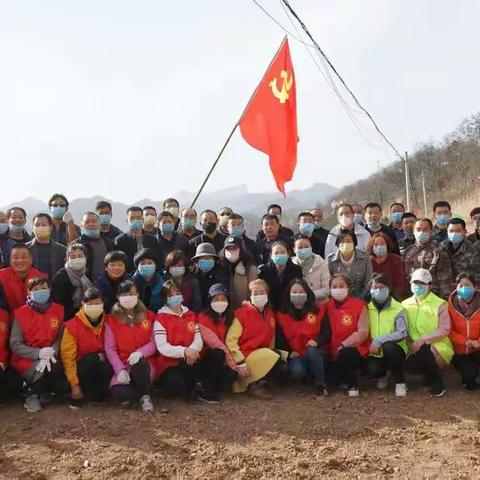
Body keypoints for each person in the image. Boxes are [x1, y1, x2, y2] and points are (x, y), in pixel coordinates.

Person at [10, 277, 66, 412]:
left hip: (52, 356)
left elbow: (61, 337)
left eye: (43, 288)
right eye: (35, 289)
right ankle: (31, 393)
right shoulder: (21, 313)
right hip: (27, 359)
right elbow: (15, 344)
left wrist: (53, 350)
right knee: (41, 370)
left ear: (49, 289)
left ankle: (42, 391)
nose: (40, 291)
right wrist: (38, 353)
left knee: (63, 383)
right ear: (29, 293)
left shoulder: (58, 310)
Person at [226, 279, 285, 398]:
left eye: (262, 293)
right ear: (250, 296)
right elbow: (230, 340)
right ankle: (255, 385)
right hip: (245, 356)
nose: (259, 296)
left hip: (263, 354)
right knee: (276, 357)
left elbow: (271, 339)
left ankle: (261, 381)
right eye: (255, 293)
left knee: (282, 364)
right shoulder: (241, 314)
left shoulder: (270, 314)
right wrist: (240, 362)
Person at [104, 280, 156, 411]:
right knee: (119, 393)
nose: (128, 297)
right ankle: (140, 391)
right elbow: (110, 348)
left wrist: (140, 352)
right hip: (124, 365)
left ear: (138, 294)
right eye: (124, 294)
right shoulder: (111, 319)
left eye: (132, 293)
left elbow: (154, 341)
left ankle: (145, 395)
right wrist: (119, 369)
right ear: (117, 297)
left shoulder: (149, 316)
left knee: (140, 364)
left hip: (144, 363)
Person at [402, 268, 454, 397]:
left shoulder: (440, 304)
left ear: (430, 286)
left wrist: (423, 340)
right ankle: (430, 376)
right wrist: (412, 343)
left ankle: (435, 383)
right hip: (412, 347)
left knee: (427, 352)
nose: (418, 286)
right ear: (410, 284)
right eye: (415, 283)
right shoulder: (404, 304)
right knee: (412, 362)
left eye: (422, 284)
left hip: (437, 346)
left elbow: (444, 329)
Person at [61, 287, 113, 408]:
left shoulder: (110, 321)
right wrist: (74, 385)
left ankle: (101, 393)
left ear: (103, 304)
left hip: (104, 366)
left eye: (97, 303)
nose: (94, 306)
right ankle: (84, 391)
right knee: (92, 359)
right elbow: (68, 358)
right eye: (89, 303)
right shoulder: (72, 326)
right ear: (82, 304)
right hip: (82, 368)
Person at [276, 279, 329, 397]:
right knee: (297, 372)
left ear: (307, 293)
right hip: (296, 353)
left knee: (312, 353)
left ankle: (321, 385)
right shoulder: (281, 314)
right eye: (294, 292)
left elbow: (327, 333)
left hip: (317, 351)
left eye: (301, 291)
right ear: (289, 294)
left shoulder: (319, 309)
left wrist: (317, 341)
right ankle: (309, 375)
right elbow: (280, 339)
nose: (298, 295)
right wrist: (289, 352)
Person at [154, 280, 203, 401]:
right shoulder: (160, 318)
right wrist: (184, 351)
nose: (175, 296)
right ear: (165, 298)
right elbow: (162, 347)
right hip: (168, 363)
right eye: (170, 295)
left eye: (177, 293)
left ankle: (193, 388)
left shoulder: (190, 315)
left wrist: (192, 350)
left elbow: (198, 337)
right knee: (174, 386)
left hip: (189, 358)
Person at [326, 274, 369, 397]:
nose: (338, 289)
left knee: (347, 354)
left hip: (354, 349)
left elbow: (363, 331)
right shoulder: (326, 306)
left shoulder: (359, 305)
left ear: (348, 288)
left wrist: (345, 344)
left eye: (341, 286)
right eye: (334, 286)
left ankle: (353, 385)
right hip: (332, 352)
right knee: (331, 377)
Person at [366, 273, 408, 396]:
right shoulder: (366, 308)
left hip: (395, 348)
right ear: (370, 290)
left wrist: (380, 340)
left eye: (382, 287)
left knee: (389, 347)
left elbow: (402, 332)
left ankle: (400, 382)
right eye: (375, 288)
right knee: (372, 371)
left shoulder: (398, 308)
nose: (378, 290)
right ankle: (383, 374)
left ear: (389, 289)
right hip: (374, 351)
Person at [197, 284, 238, 402]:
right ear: (210, 301)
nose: (220, 302)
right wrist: (234, 366)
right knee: (218, 353)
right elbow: (216, 344)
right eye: (216, 299)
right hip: (205, 359)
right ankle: (206, 389)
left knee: (230, 377)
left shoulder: (230, 317)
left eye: (223, 299)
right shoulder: (203, 318)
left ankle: (216, 386)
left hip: (224, 358)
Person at [403, 218, 453, 299]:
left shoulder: (439, 251)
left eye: (425, 229)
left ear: (431, 231)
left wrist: (444, 299)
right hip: (411, 298)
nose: (421, 232)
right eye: (418, 229)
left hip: (433, 297)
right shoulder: (407, 252)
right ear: (413, 231)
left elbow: (445, 279)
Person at [448, 273, 480, 390]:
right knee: (470, 380)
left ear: (475, 287)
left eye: (467, 285)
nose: (463, 288)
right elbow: (448, 331)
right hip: (459, 351)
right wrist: (465, 341)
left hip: (478, 347)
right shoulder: (449, 305)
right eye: (460, 285)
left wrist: (477, 342)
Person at [0, 244, 46, 313]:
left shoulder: (40, 278)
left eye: (24, 257)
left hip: (34, 318)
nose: (20, 261)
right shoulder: (1, 277)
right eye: (16, 257)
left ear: (31, 260)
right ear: (10, 261)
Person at [51, 244, 92, 321]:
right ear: (67, 259)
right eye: (73, 257)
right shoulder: (60, 278)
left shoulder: (87, 274)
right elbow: (57, 305)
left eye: (80, 256)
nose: (77, 259)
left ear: (85, 258)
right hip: (67, 320)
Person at [258, 241, 303, 311]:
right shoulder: (263, 271)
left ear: (288, 254)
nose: (279, 255)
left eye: (282, 253)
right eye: (276, 253)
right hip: (269, 309)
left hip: (290, 309)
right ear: (271, 255)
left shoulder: (296, 270)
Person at [327, 232, 373, 299]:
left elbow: (368, 282)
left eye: (348, 241)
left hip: (360, 297)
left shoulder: (364, 258)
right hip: (337, 297)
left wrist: (361, 297)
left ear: (354, 243)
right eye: (342, 241)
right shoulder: (330, 260)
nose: (345, 244)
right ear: (338, 244)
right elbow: (328, 282)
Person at [114, 206, 159, 273]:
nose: (135, 220)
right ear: (127, 221)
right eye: (132, 218)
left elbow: (157, 259)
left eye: (138, 218)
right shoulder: (120, 240)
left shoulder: (152, 239)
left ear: (143, 220)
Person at [220, 236, 257, 310]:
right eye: (228, 249)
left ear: (241, 250)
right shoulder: (221, 267)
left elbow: (254, 292)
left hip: (245, 312)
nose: (231, 251)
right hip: (225, 312)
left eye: (234, 248)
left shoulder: (250, 269)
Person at [26, 213, 66, 280]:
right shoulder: (25, 249)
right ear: (33, 228)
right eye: (37, 225)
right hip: (32, 288)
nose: (40, 227)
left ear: (51, 227)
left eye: (43, 225)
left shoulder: (62, 250)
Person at [367, 233, 406, 300]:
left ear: (387, 245)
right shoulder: (368, 261)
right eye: (376, 244)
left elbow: (400, 284)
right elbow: (366, 284)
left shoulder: (396, 259)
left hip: (393, 298)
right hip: (372, 297)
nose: (379, 246)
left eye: (382, 244)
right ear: (372, 247)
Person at [442, 218, 480, 287]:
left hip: (464, 289)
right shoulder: (441, 247)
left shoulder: (472, 251)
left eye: (458, 231)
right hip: (444, 288)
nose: (454, 234)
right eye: (451, 231)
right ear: (447, 232)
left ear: (465, 231)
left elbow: (477, 276)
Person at [291, 237, 330, 302]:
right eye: (300, 247)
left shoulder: (321, 263)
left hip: (319, 303)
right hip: (296, 303)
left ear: (311, 248)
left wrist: (308, 295)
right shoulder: (290, 264)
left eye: (306, 247)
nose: (303, 249)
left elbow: (327, 289)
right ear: (294, 249)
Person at [192, 243, 229, 308]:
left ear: (214, 260)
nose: (206, 260)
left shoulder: (221, 274)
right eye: (203, 258)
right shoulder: (191, 273)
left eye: (209, 258)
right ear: (197, 260)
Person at [79, 212, 113, 280]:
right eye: (87, 222)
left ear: (100, 224)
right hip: (84, 284)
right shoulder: (77, 244)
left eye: (94, 221)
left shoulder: (108, 243)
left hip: (105, 284)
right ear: (81, 225)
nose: (91, 224)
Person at [132, 248, 164, 313]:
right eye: (142, 264)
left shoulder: (163, 284)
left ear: (156, 266)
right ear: (137, 266)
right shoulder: (131, 283)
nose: (146, 266)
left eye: (150, 263)